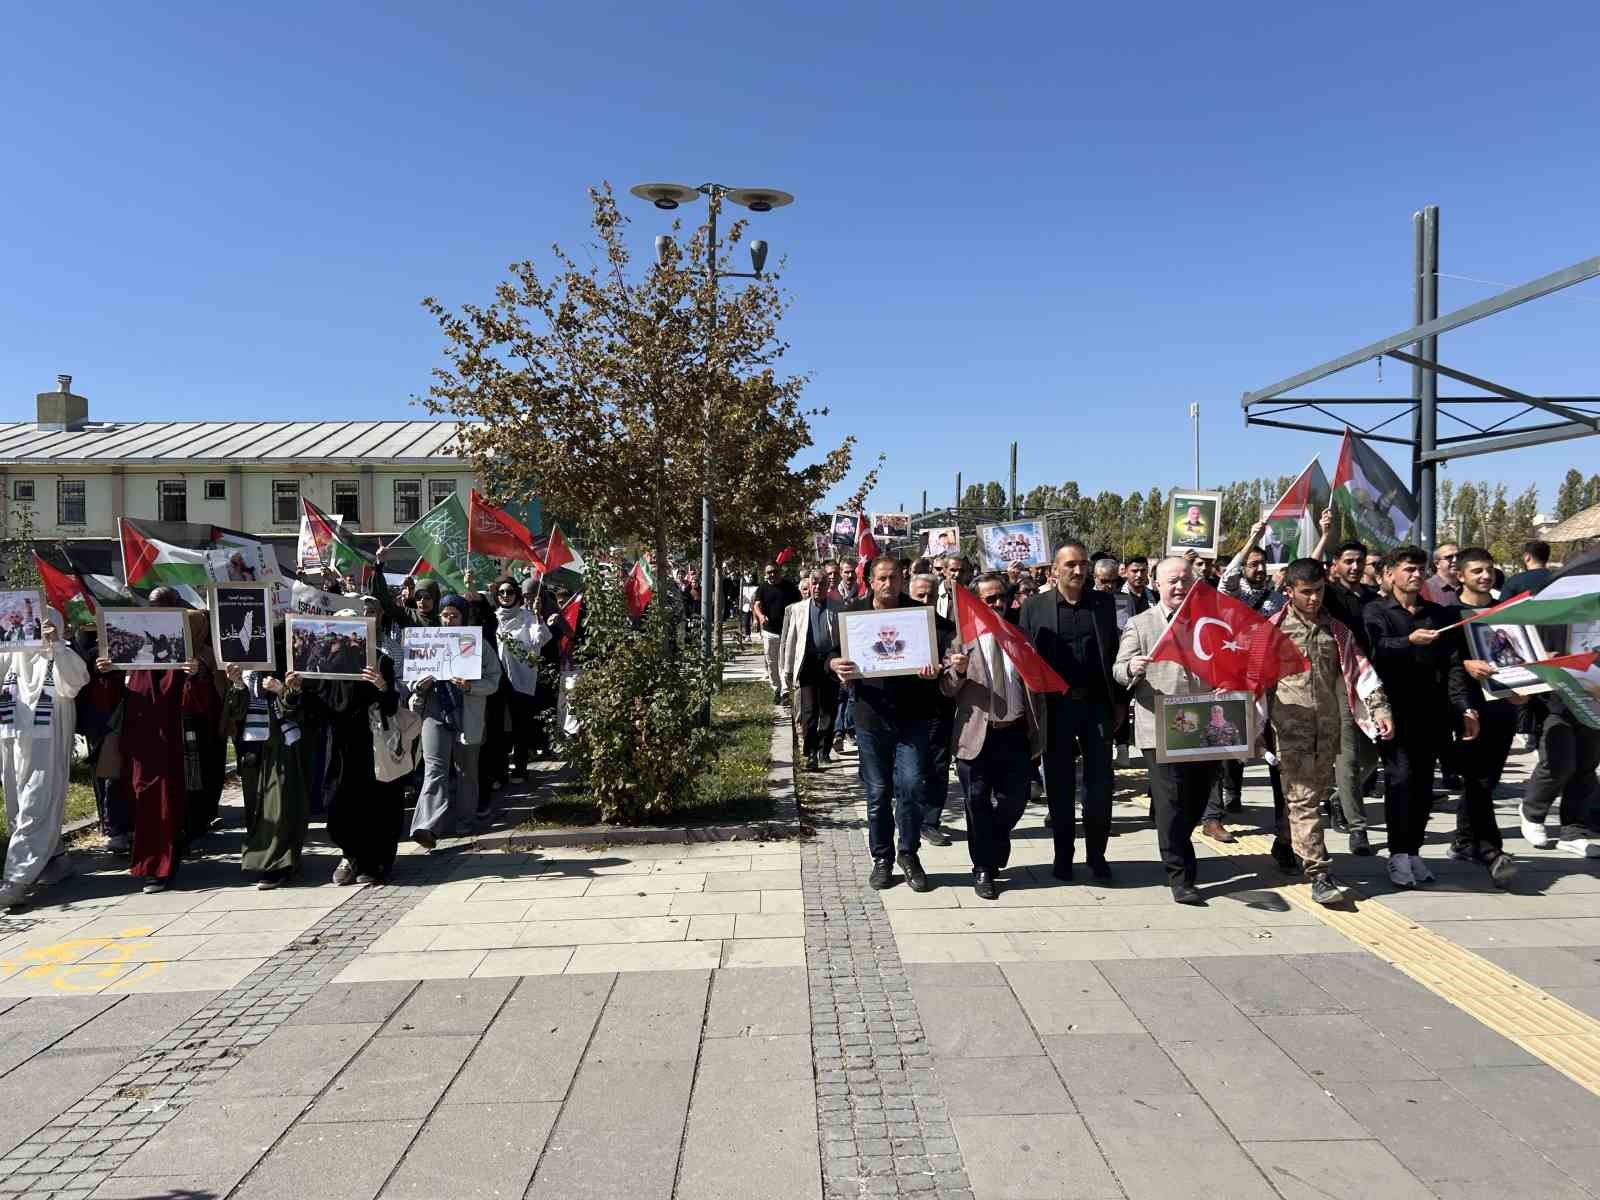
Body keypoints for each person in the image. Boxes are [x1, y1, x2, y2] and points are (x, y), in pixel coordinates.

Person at [1263, 559, 1394, 906]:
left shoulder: (1337, 631)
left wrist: (1380, 708)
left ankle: (1285, 841)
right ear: (1289, 591)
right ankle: (1319, 873)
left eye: (1319, 590)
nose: (1313, 598)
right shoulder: (1272, 631)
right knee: (1304, 798)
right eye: (1306, 592)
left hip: (1328, 727)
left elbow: (1360, 671)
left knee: (1313, 796)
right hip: (1291, 729)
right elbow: (1250, 678)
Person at [829, 557, 961, 893]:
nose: (889, 584)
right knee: (877, 793)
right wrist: (835, 664)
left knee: (912, 787)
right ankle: (882, 858)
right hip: (871, 718)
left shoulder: (918, 616)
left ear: (903, 580)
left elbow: (949, 640)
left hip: (913, 718)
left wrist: (943, 661)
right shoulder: (853, 615)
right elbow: (827, 653)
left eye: (895, 578)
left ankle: (909, 853)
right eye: (883, 578)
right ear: (871, 581)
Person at [1364, 546, 1476, 889]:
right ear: (1391, 573)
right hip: (1394, 713)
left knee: (1425, 786)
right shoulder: (1376, 611)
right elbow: (1372, 652)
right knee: (1400, 779)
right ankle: (1397, 854)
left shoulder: (1438, 616)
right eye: (1409, 569)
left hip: (1433, 713)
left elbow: (1454, 664)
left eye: (1420, 569)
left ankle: (1414, 851)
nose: (1416, 575)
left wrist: (1463, 707)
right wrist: (1408, 642)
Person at [1021, 541, 1124, 882]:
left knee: (1099, 786)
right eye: (1070, 565)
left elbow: (1115, 655)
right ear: (1054, 570)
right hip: (1055, 710)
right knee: (1061, 788)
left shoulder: (1104, 605)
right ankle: (1063, 856)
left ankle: (1097, 856)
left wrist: (1119, 705)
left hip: (1096, 708)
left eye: (1083, 564)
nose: (1079, 571)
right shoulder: (1034, 608)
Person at [1114, 556, 1215, 904]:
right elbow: (1118, 670)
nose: (1179, 587)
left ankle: (1178, 844)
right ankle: (1180, 874)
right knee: (1170, 799)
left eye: (1186, 580)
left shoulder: (1207, 622)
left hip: (1202, 722)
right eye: (1172, 580)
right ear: (1157, 584)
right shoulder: (1141, 624)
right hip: (1160, 723)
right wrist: (1132, 666)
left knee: (1197, 796)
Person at [89, 644, 218, 893]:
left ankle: (160, 867)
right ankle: (154, 860)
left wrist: (195, 674)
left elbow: (199, 703)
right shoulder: (130, 661)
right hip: (137, 747)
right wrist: (106, 673)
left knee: (165, 804)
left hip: (171, 745)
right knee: (142, 803)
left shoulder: (181, 660)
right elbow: (106, 700)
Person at [942, 572, 1041, 899]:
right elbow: (946, 688)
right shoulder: (961, 642)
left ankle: (995, 837)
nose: (997, 604)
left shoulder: (1020, 636)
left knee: (1015, 800)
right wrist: (956, 671)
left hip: (1014, 734)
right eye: (989, 599)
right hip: (977, 736)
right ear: (976, 604)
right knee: (976, 802)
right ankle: (982, 868)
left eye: (1001, 597)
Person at [0, 607, 90, 909]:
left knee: (36, 804)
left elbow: (76, 681)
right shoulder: (10, 656)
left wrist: (55, 645)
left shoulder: (58, 654)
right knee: (17, 806)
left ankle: (16, 879)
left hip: (45, 739)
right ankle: (56, 860)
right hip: (13, 736)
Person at [1446, 548, 1523, 885]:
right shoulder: (1449, 614)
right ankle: (1491, 851)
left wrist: (1526, 684)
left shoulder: (1505, 611)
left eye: (1488, 570)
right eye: (1476, 570)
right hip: (1467, 707)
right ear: (1459, 575)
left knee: (1487, 780)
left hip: (1503, 706)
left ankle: (1464, 841)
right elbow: (1443, 662)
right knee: (1476, 778)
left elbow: (1518, 654)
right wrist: (1466, 665)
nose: (1484, 576)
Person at [409, 593, 503, 847]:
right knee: (435, 769)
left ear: (463, 617)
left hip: (466, 712)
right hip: (435, 711)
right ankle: (426, 826)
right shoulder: (428, 641)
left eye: (454, 615)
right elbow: (411, 679)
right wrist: (419, 685)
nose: (449, 620)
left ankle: (465, 820)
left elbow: (494, 680)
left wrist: (471, 686)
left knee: (466, 771)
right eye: (445, 615)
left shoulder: (478, 644)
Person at [225, 633, 310, 889]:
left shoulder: (285, 666)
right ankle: (263, 860)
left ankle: (279, 865)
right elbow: (234, 713)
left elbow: (298, 711)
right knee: (256, 807)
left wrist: (284, 690)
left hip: (281, 745)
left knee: (280, 806)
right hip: (252, 748)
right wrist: (237, 684)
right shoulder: (243, 671)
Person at [1322, 534, 1381, 852]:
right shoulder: (1328, 596)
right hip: (1341, 681)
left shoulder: (1375, 598)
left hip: (1374, 682)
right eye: (1349, 561)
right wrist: (1324, 533)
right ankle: (1359, 828)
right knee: (1348, 755)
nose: (1356, 566)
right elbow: (1300, 573)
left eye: (1360, 561)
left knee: (1372, 757)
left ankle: (1335, 799)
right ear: (1336, 566)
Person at [907, 571, 956, 844]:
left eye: (930, 596)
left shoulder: (946, 629)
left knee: (937, 767)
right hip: (903, 710)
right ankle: (908, 815)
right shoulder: (894, 624)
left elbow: (952, 664)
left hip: (938, 708)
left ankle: (930, 820)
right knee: (909, 770)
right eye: (919, 595)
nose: (925, 600)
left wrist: (945, 668)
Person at [780, 568, 841, 772]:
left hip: (830, 662)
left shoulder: (838, 608)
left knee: (828, 709)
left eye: (821, 584)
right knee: (809, 710)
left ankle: (824, 751)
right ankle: (811, 752)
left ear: (827, 586)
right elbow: (791, 641)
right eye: (814, 584)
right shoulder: (799, 609)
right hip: (807, 663)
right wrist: (787, 669)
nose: (817, 587)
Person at [497, 576, 552, 781]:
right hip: (497, 680)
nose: (505, 596)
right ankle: (499, 771)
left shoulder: (527, 617)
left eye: (509, 592)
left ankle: (520, 768)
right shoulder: (494, 617)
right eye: (501, 592)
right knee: (499, 727)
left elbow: (542, 639)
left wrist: (538, 616)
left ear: (516, 595)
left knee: (519, 726)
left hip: (520, 680)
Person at [753, 563, 799, 705]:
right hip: (769, 631)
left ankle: (785, 691)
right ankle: (776, 689)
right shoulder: (763, 588)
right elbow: (756, 605)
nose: (771, 575)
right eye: (768, 572)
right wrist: (760, 617)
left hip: (786, 631)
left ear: (779, 572)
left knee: (784, 662)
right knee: (772, 661)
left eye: (774, 571)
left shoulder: (789, 587)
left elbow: (798, 604)